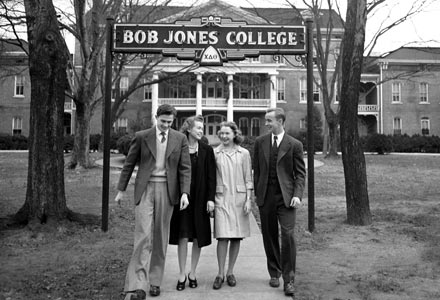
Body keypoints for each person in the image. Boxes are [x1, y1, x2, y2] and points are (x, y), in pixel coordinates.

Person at [115, 104, 191, 300]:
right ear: (156, 118)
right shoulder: (142, 136)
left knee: (160, 236)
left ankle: (155, 281)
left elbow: (184, 168)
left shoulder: (180, 138)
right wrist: (121, 190)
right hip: (146, 188)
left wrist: (185, 193)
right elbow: (129, 164)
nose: (166, 125)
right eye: (163, 121)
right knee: (143, 235)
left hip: (168, 190)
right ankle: (138, 284)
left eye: (169, 122)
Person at [253, 107, 306, 297]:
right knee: (269, 235)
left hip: (287, 198)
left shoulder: (295, 144)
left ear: (280, 122)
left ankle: (289, 279)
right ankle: (274, 273)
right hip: (265, 197)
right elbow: (257, 170)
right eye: (266, 120)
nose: (266, 124)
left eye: (269, 120)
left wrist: (297, 195)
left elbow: (300, 174)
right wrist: (258, 193)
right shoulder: (260, 142)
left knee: (288, 236)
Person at [169, 115, 216, 291]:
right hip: (182, 199)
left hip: (201, 199)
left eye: (202, 129)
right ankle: (182, 273)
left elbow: (212, 177)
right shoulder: (178, 148)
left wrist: (211, 199)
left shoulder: (206, 149)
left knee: (198, 235)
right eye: (198, 128)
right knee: (182, 234)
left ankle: (193, 272)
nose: (201, 131)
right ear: (188, 129)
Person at [212, 121, 253, 290]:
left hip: (239, 199)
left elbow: (248, 178)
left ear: (235, 134)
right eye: (221, 133)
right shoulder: (214, 153)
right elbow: (211, 178)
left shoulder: (244, 153)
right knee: (222, 236)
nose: (223, 136)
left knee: (236, 236)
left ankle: (230, 272)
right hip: (221, 198)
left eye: (227, 133)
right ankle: (220, 273)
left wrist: (249, 199)